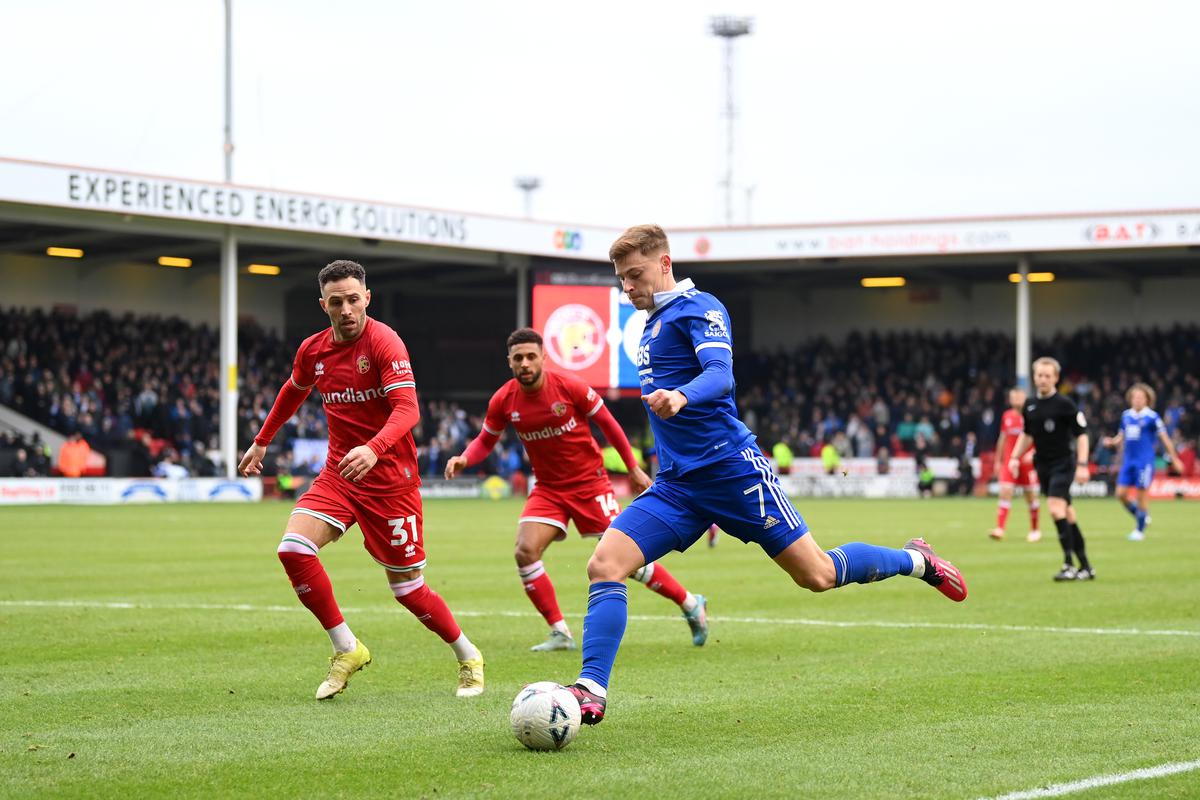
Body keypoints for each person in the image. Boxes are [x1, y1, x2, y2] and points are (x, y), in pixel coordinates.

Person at [561, 225, 967, 726]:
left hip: (732, 472)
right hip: (679, 487)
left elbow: (720, 375)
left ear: (664, 263)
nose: (628, 287)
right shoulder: (648, 325)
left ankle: (915, 561)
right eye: (622, 279)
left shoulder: (700, 307)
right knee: (604, 564)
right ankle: (590, 690)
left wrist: (682, 396)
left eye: (635, 275)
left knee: (817, 574)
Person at [239, 259, 484, 701]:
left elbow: (408, 410)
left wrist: (373, 448)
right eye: (337, 302)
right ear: (323, 305)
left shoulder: (385, 342)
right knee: (292, 549)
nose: (347, 309)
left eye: (354, 299)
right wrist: (262, 441)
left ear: (367, 298)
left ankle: (468, 655)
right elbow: (292, 390)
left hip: (391, 480)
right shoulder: (313, 351)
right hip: (339, 473)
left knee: (408, 590)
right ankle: (346, 648)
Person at [444, 327, 708, 651]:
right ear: (509, 362)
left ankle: (690, 603)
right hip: (549, 488)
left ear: (543, 357)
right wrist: (464, 458)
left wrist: (633, 469)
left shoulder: (569, 387)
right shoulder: (504, 399)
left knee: (625, 560)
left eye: (530, 356)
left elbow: (609, 424)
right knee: (524, 551)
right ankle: (560, 632)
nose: (525, 363)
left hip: (589, 483)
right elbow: (487, 439)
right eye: (518, 358)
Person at [1008, 357, 1093, 581]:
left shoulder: (1066, 404)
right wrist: (1015, 457)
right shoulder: (1030, 405)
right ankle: (1086, 567)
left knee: (1055, 509)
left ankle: (1068, 565)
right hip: (1042, 465)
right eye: (1039, 375)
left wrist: (1083, 465)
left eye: (1048, 376)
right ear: (1034, 377)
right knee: (1068, 514)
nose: (1043, 379)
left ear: (1055, 378)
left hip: (1063, 464)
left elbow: (1082, 435)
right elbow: (1027, 434)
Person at [1100, 383, 1184, 541]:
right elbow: (1121, 436)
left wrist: (1175, 458)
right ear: (1130, 399)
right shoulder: (1126, 415)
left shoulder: (1152, 417)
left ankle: (1139, 530)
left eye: (1141, 397)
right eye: (1135, 397)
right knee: (1120, 494)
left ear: (1147, 400)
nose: (1137, 400)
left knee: (1141, 495)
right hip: (1128, 461)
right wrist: (1112, 442)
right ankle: (1142, 517)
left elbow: (1165, 439)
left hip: (1144, 462)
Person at [989, 387, 1042, 542]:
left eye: (1019, 397)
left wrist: (1033, 454)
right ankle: (1000, 528)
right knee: (1005, 491)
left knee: (1031, 497)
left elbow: (1039, 437)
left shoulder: (1032, 415)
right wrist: (998, 461)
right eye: (1013, 397)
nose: (1016, 400)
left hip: (1027, 463)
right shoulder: (1007, 416)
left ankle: (1035, 529)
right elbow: (1002, 439)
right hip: (1009, 461)